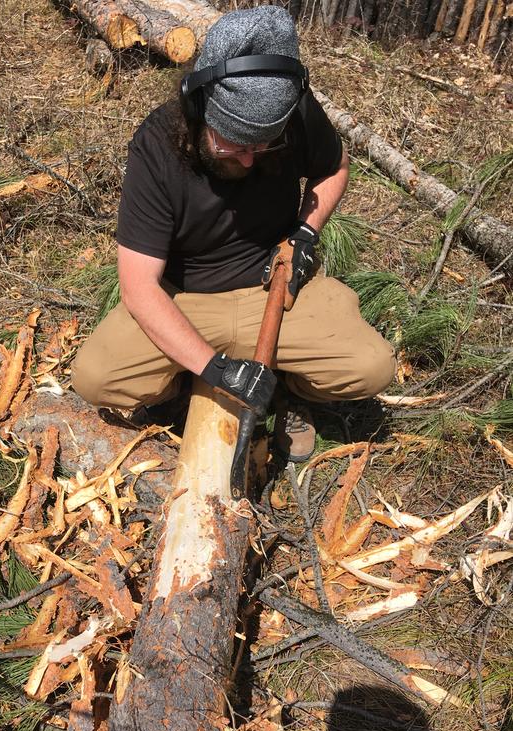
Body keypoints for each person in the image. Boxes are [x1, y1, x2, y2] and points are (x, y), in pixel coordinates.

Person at [71, 4, 396, 462]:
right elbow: (139, 287)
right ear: (198, 107)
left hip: (276, 290)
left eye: (263, 145)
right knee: (96, 377)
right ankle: (191, 378)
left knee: (371, 367)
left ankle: (286, 391)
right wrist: (215, 368)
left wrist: (305, 233)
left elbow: (333, 168)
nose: (248, 159)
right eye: (232, 143)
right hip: (186, 299)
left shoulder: (293, 113)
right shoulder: (157, 144)